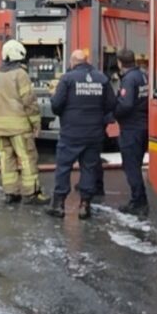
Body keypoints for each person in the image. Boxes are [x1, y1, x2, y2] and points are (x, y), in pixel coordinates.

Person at [47, 49, 115, 220]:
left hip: (71, 132)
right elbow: (111, 104)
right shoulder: (101, 78)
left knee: (64, 167)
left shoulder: (67, 79)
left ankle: (59, 204)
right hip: (94, 133)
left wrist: (52, 96)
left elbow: (56, 106)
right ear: (86, 61)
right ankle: (85, 205)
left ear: (72, 62)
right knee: (89, 168)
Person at [0, 41, 47, 205]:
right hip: (19, 127)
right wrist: (36, 122)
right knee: (27, 158)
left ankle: (10, 193)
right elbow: (29, 101)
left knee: (6, 161)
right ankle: (31, 193)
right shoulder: (20, 74)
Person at [112, 48, 149, 217]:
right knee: (137, 164)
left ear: (120, 63)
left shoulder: (128, 79)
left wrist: (113, 112)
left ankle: (138, 202)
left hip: (131, 129)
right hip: (144, 126)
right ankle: (140, 199)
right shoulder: (143, 75)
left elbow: (125, 104)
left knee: (131, 166)